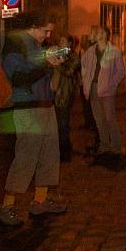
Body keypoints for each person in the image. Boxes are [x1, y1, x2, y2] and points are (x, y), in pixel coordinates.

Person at [0, 11, 67, 227]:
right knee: (26, 156)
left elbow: (43, 74)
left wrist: (55, 63)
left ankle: (40, 201)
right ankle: (6, 206)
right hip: (27, 108)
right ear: (34, 26)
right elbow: (18, 77)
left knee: (49, 154)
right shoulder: (14, 43)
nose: (48, 35)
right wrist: (47, 64)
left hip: (46, 106)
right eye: (46, 31)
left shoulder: (37, 45)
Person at [81, 26, 125, 166]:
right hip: (93, 88)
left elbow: (120, 71)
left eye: (99, 31)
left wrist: (111, 85)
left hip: (107, 91)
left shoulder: (114, 51)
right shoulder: (90, 51)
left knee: (110, 119)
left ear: (105, 34)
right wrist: (85, 81)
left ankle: (116, 147)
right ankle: (104, 146)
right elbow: (84, 66)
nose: (96, 33)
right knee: (99, 119)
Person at [51, 34, 80, 162]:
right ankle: (59, 148)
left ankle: (64, 152)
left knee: (63, 123)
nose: (60, 43)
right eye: (60, 40)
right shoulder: (56, 54)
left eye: (63, 41)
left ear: (69, 44)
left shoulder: (73, 57)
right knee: (56, 123)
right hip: (54, 93)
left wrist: (57, 64)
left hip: (64, 93)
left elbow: (69, 72)